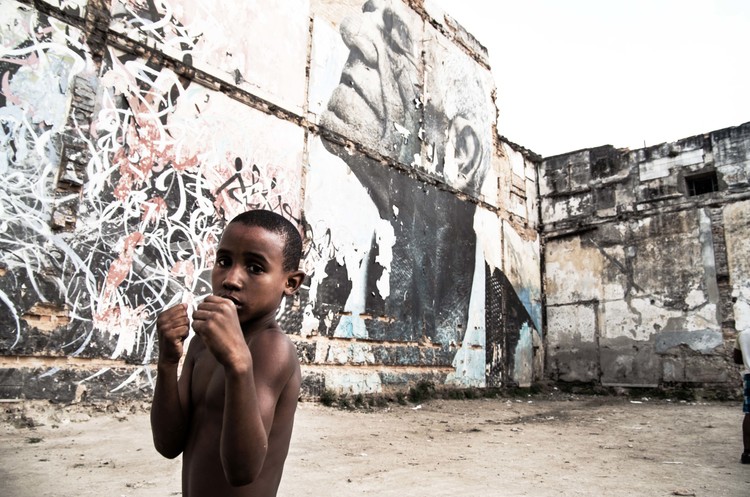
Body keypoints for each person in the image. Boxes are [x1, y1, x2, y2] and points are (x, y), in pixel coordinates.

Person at [318, 0, 493, 348]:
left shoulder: (508, 323)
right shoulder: (331, 281)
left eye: (396, 36)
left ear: (461, 155)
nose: (352, 31)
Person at [151, 209, 306, 496]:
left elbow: (241, 472)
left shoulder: (273, 349)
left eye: (255, 268)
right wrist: (168, 362)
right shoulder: (202, 342)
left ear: (290, 282)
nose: (231, 279)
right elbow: (168, 444)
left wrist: (238, 365)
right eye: (224, 261)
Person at [736, 329, 750, 464]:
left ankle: (747, 452)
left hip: (749, 374)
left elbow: (737, 358)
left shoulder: (744, 334)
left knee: (749, 413)